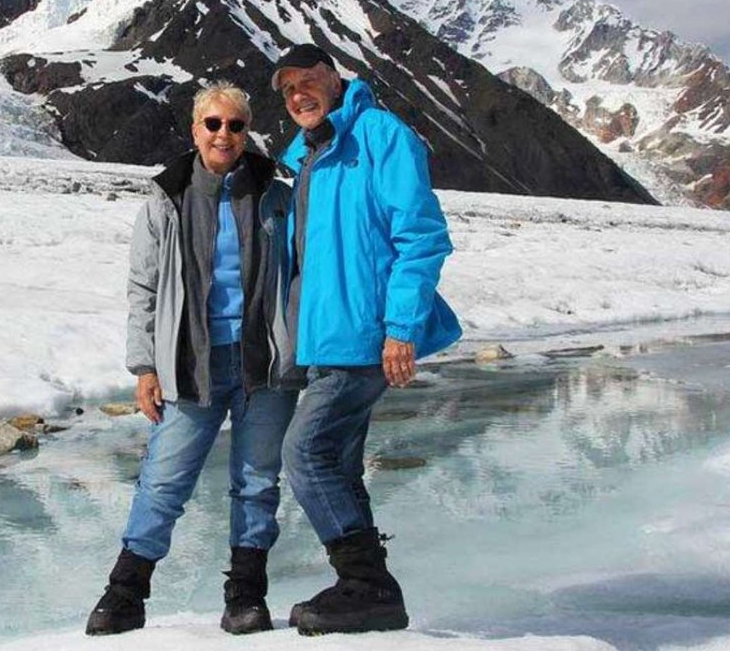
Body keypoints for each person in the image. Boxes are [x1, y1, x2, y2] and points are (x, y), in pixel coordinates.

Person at [86, 81, 300, 636]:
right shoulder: (167, 197)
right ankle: (125, 594)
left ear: (247, 131)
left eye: (234, 125)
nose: (223, 135)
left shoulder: (275, 195)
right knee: (163, 478)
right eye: (213, 124)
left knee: (257, 481)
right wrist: (144, 367)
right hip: (189, 362)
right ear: (195, 129)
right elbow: (145, 287)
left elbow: (300, 274)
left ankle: (246, 597)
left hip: (264, 364)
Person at [271, 43, 462, 635]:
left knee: (304, 453)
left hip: (365, 335)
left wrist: (401, 328)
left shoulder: (380, 136)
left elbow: (421, 237)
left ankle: (367, 584)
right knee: (340, 463)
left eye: (307, 81)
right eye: (287, 90)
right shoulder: (308, 155)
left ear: (333, 77)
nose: (299, 95)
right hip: (325, 340)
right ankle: (367, 589)